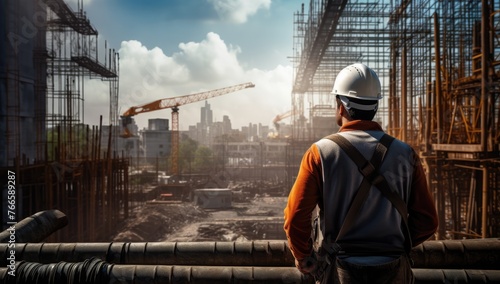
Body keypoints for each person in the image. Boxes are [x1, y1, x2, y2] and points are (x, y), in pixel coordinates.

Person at [283, 63, 438, 283]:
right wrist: (393, 246)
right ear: (375, 106)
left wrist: (303, 257)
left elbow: (295, 217)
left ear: (340, 107)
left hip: (340, 271)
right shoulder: (406, 154)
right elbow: (428, 221)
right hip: (394, 270)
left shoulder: (320, 153)